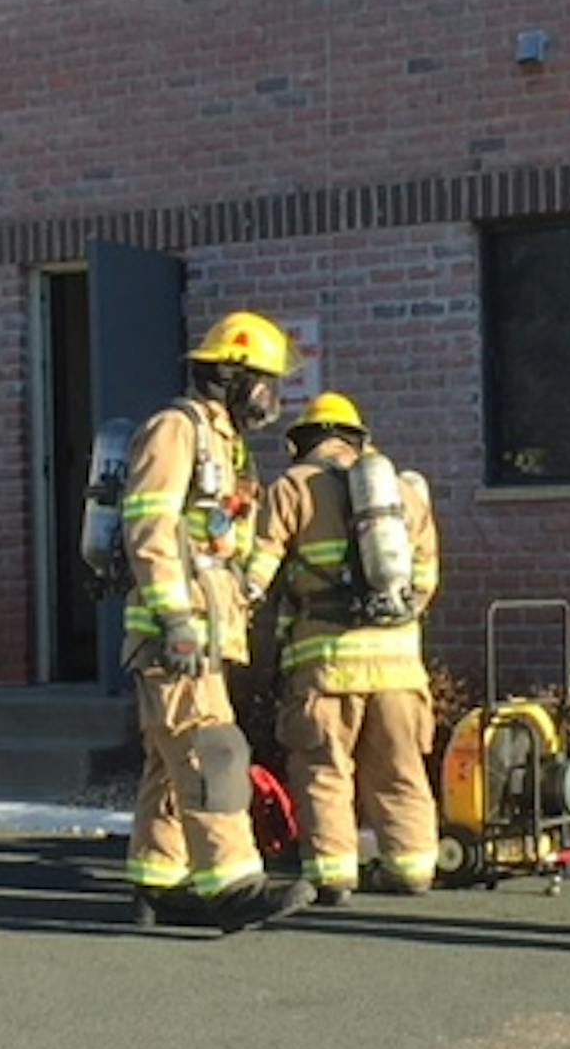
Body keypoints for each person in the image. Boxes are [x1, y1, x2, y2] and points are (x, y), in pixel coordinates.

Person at [120, 312, 314, 932]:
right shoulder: (175, 430)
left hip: (205, 627)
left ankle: (158, 880)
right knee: (212, 749)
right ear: (232, 374)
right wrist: (174, 616)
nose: (273, 397)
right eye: (265, 381)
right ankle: (233, 882)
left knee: (169, 755)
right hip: (176, 629)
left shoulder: (222, 441)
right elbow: (148, 527)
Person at [245, 392, 440, 906]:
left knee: (324, 770)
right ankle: (413, 867)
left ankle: (334, 876)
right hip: (401, 668)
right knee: (401, 770)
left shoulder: (292, 488)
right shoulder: (403, 490)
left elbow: (258, 569)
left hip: (326, 665)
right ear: (358, 438)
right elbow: (425, 580)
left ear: (303, 442)